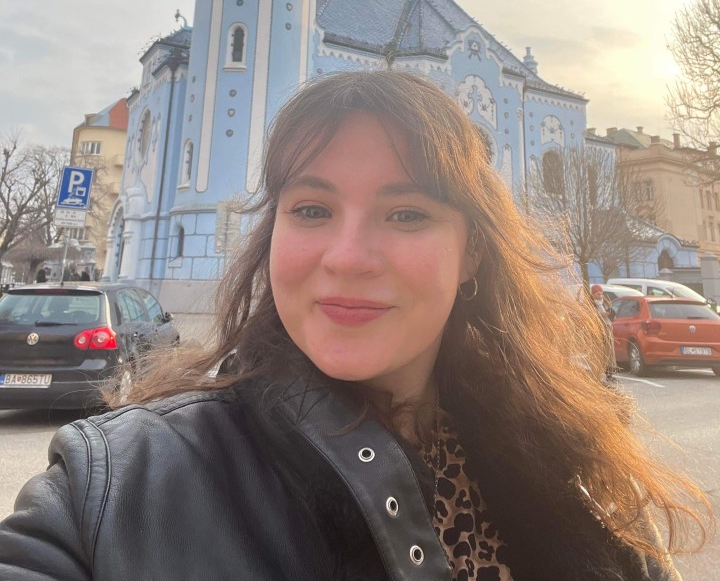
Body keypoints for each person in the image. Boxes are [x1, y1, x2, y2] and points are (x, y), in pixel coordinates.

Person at [0, 71, 711, 581]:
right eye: (311, 209)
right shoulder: (123, 486)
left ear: (472, 255)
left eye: (406, 214)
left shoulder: (567, 466)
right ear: (271, 233)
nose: (347, 258)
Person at [590, 283, 618, 377]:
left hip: (607, 327)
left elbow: (611, 313)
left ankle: (610, 370)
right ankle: (600, 370)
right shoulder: (592, 304)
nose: (600, 296)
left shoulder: (605, 303)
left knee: (610, 349)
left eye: (601, 293)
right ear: (593, 294)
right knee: (601, 349)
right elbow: (591, 316)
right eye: (598, 294)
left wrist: (611, 315)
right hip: (598, 328)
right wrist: (601, 315)